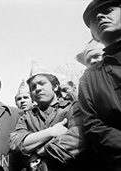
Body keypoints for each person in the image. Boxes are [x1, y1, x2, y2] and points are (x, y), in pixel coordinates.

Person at [9, 64, 86, 171]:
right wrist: (52, 132)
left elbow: (76, 138)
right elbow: (15, 143)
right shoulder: (27, 117)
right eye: (33, 87)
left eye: (42, 84)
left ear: (55, 86)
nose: (38, 89)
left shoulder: (72, 108)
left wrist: (40, 151)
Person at [79, 0, 121, 170]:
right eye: (93, 20)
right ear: (93, 34)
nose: (100, 17)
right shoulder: (89, 77)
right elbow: (91, 122)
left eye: (109, 11)